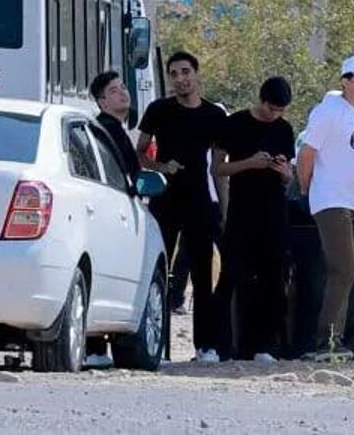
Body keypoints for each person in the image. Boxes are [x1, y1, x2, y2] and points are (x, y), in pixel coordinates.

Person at [135, 50, 229, 363]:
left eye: (185, 72)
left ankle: (206, 346)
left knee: (202, 276)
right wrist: (161, 166)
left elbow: (218, 169)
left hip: (200, 201)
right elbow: (139, 154)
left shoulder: (215, 116)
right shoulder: (159, 110)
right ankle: (157, 347)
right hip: (164, 200)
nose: (180, 79)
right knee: (157, 274)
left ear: (197, 73)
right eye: (174, 74)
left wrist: (225, 212)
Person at [213, 76, 297, 362]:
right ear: (262, 101)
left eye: (281, 110)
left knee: (274, 278)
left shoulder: (284, 130)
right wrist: (250, 163)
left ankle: (267, 345)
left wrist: (282, 170)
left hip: (273, 211)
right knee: (232, 275)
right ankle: (220, 345)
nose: (276, 115)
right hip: (241, 210)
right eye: (272, 109)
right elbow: (218, 168)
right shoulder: (235, 123)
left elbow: (290, 177)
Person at [298, 53, 354, 359]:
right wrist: (307, 189)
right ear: (345, 80)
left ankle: (336, 339)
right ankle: (325, 341)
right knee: (342, 269)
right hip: (332, 199)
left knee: (347, 273)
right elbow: (306, 153)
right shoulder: (328, 110)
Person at [88, 70, 142, 182]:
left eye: (123, 87)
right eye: (114, 91)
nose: (122, 93)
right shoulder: (109, 130)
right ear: (103, 102)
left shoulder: (106, 126)